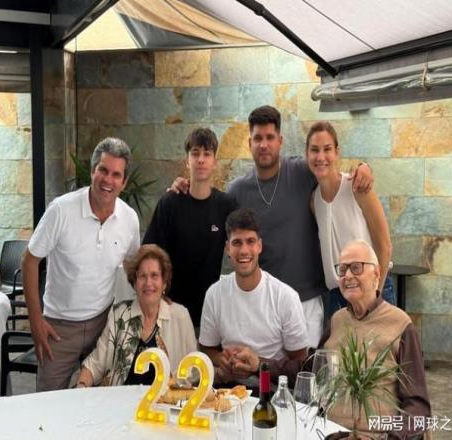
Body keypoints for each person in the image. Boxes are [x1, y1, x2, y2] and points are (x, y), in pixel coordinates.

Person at [171, 106, 373, 347]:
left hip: (306, 301)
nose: (264, 144)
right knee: (264, 367)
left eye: (269, 137)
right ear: (250, 143)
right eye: (258, 138)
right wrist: (183, 187)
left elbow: (331, 169)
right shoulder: (237, 191)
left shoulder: (302, 172)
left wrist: (363, 167)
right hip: (263, 305)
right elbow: (209, 212)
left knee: (304, 366)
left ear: (280, 141)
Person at [228, 240, 431, 439]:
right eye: (342, 270)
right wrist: (259, 364)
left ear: (376, 273)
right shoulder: (337, 320)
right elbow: (308, 371)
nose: (348, 276)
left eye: (356, 267)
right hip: (327, 432)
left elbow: (418, 409)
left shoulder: (400, 325)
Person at [22, 137, 141, 391]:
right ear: (92, 171)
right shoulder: (61, 210)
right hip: (58, 328)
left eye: (116, 175)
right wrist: (35, 320)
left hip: (103, 325)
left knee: (97, 404)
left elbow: (135, 267)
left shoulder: (129, 219)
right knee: (48, 404)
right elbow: (30, 260)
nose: (108, 180)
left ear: (124, 182)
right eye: (103, 170)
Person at [199, 208, 308, 383]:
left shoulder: (285, 297)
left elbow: (300, 363)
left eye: (250, 241)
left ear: (259, 246)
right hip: (229, 389)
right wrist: (223, 360)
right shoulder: (215, 294)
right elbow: (207, 349)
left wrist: (258, 364)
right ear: (227, 248)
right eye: (237, 243)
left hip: (271, 390)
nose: (244, 250)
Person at [143, 128, 237, 326]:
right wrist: (159, 293)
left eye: (207, 154)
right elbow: (149, 252)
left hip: (209, 312)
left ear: (215, 162)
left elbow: (241, 247)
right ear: (187, 160)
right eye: (195, 153)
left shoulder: (226, 206)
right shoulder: (169, 203)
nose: (201, 159)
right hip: (170, 310)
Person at [306, 121, 394, 318]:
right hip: (336, 294)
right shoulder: (314, 200)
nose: (320, 157)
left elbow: (385, 246)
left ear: (337, 152)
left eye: (327, 149)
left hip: (370, 289)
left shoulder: (357, 188)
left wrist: (375, 295)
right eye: (314, 150)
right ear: (307, 154)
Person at [76, 244, 197, 387]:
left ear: (164, 283)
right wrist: (81, 386)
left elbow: (195, 371)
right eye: (142, 276)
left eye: (154, 275)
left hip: (165, 399)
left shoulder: (180, 316)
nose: (148, 283)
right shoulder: (119, 315)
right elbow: (95, 365)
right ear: (134, 283)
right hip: (120, 399)